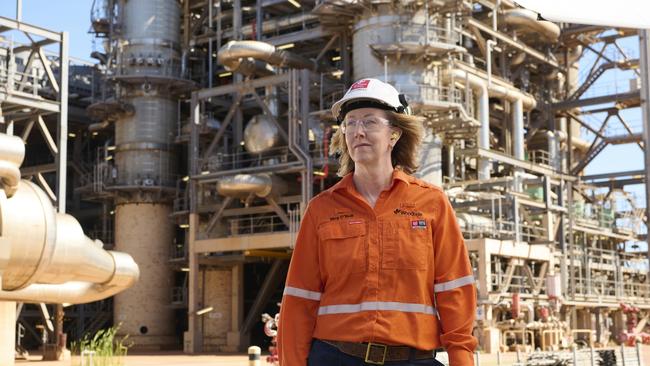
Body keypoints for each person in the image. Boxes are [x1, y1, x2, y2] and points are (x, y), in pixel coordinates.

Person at [277, 78, 477, 366]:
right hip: (335, 358)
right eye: (350, 123)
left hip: (412, 359)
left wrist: (462, 360)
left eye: (370, 122)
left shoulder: (431, 204)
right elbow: (300, 298)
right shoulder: (321, 209)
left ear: (394, 133)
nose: (358, 132)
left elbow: (454, 289)